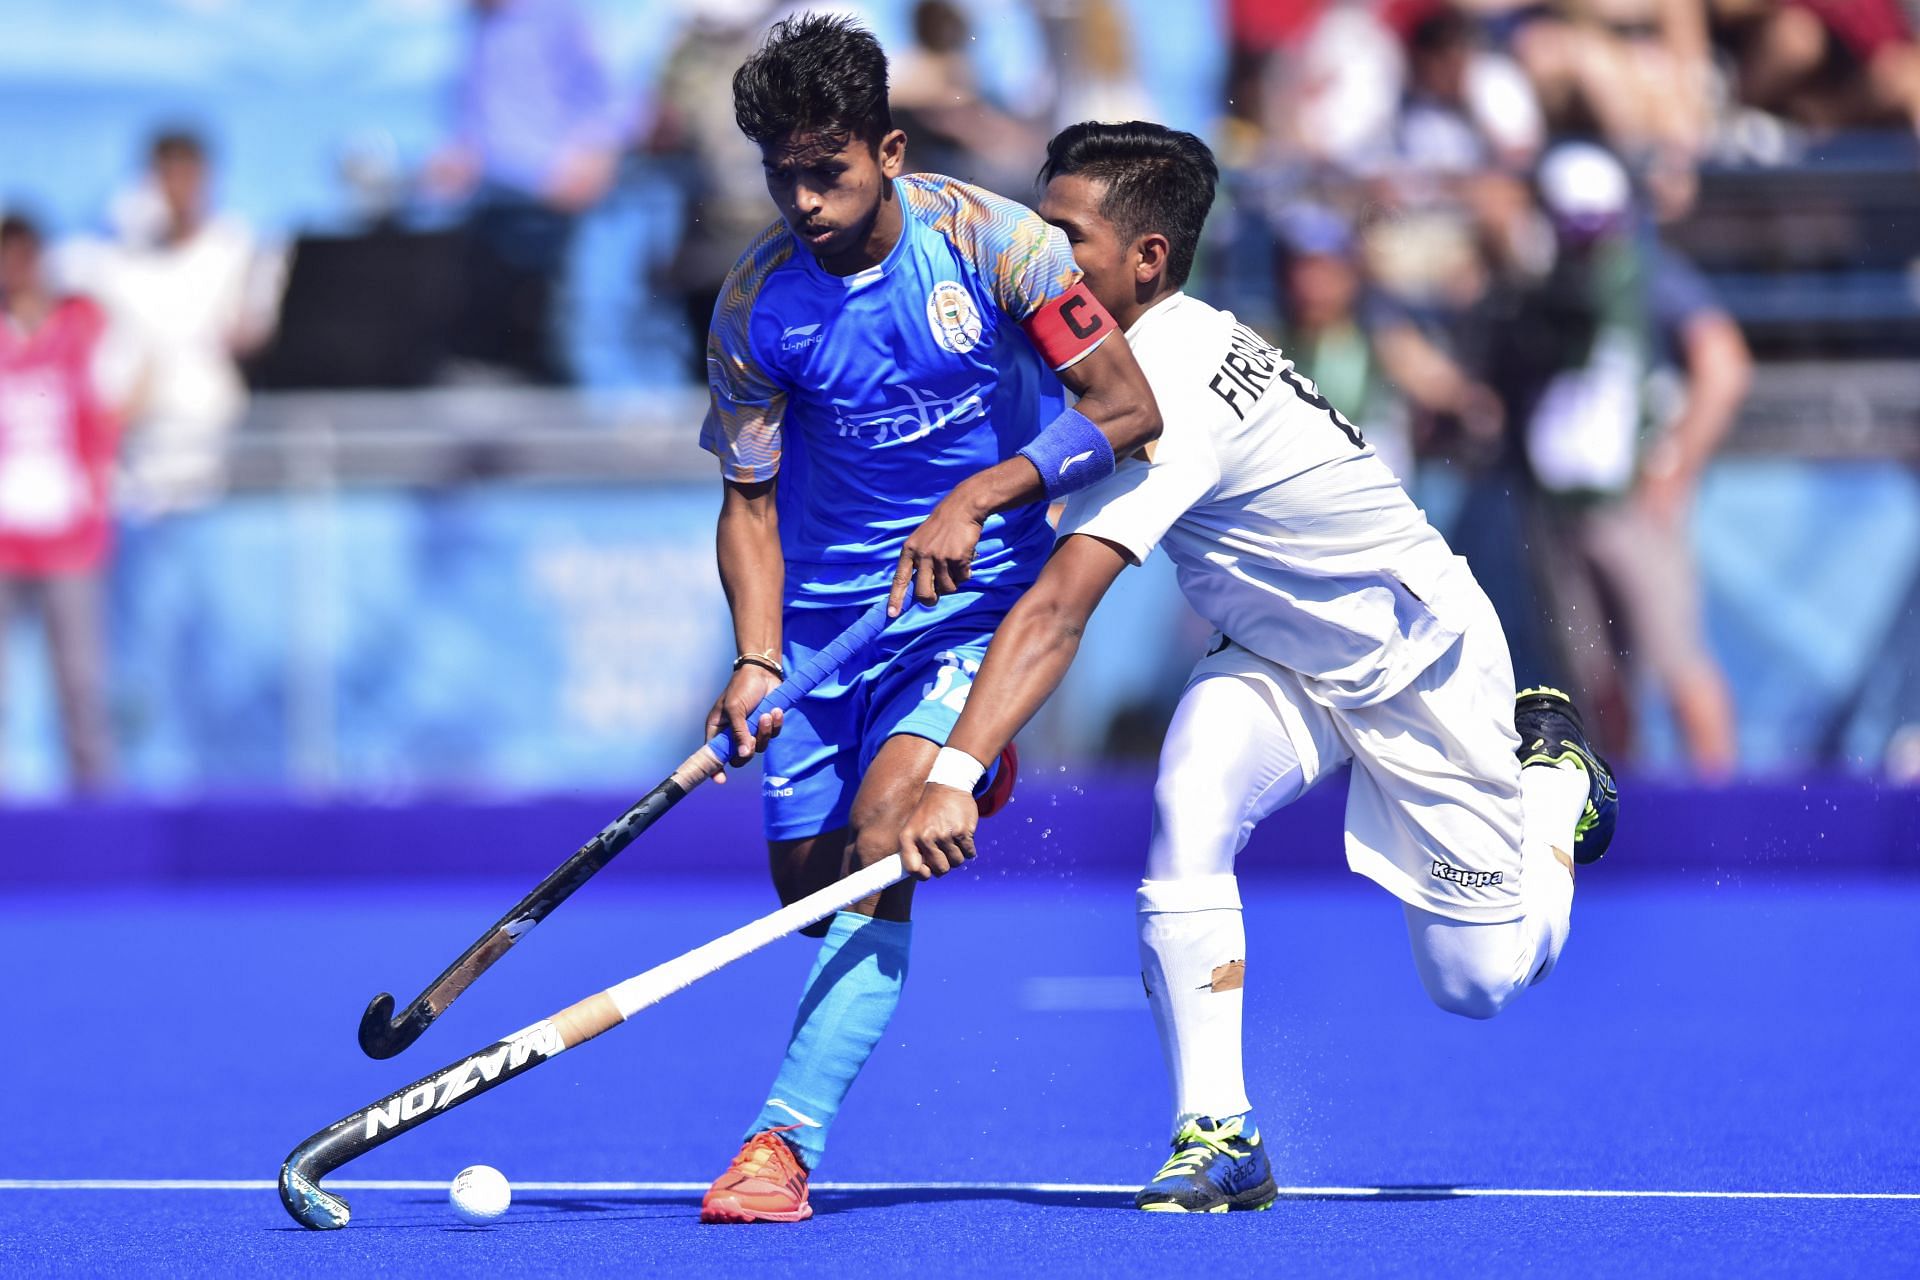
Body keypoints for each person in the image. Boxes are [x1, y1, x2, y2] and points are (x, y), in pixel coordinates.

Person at [890, 121, 1619, 1213]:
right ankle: (1217, 1131)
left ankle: (1556, 788)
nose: (1041, 257)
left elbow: (1057, 608)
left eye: (1064, 235)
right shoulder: (1111, 353)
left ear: (1146, 259)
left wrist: (954, 771)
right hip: (1281, 656)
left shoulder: (1166, 391)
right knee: (1191, 790)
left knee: (1478, 982)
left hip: (1419, 662)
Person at [693, 16, 1161, 1224]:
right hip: (819, 631)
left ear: (890, 149)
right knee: (808, 883)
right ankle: (965, 780)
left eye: (826, 170)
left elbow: (1123, 409)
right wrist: (755, 659)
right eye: (779, 172)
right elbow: (747, 506)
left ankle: (778, 1145)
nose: (800, 198)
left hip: (968, 609)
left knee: (879, 852)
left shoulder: (994, 246)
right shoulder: (756, 307)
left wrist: (984, 492)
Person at [58, 130, 282, 515]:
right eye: (165, 177)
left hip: (209, 440)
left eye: (187, 177)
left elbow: (255, 329)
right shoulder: (113, 258)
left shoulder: (236, 246)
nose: (176, 191)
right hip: (135, 451)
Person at [426, 0, 625, 383]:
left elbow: (606, 98)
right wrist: (457, 151)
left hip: (553, 198)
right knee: (482, 324)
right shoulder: (472, 21)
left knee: (571, 322)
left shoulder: (559, 14)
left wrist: (590, 156)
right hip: (486, 200)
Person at [0, 214, 120, 791]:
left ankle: (96, 814)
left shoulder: (81, 326)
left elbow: (115, 399)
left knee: (80, 683)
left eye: (23, 253)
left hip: (69, 536)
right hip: (3, 539)